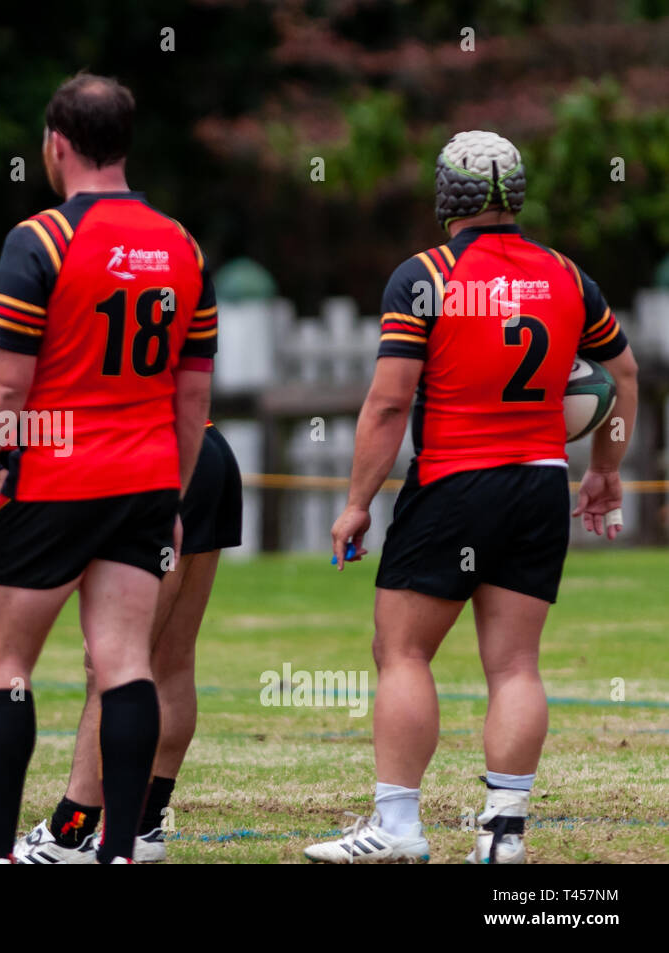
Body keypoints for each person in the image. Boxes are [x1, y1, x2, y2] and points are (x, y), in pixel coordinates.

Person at [305, 131, 638, 864]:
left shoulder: (424, 275)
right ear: (515, 194)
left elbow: (389, 405)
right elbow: (625, 376)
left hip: (454, 481)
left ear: (444, 195)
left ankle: (397, 826)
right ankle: (503, 835)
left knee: (402, 650)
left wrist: (357, 502)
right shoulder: (566, 275)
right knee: (515, 663)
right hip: (542, 482)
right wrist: (605, 471)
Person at [0, 74, 218, 864]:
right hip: (145, 483)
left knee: (5, 666)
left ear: (55, 144)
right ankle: (119, 851)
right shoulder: (182, 246)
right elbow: (193, 404)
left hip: (54, 482)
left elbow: (5, 388)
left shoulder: (41, 240)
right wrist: (173, 497)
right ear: (125, 142)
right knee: (125, 662)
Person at [0, 370, 241, 862]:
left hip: (147, 461)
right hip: (200, 445)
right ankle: (142, 830)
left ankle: (69, 833)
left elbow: (11, 505)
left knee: (105, 664)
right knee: (169, 661)